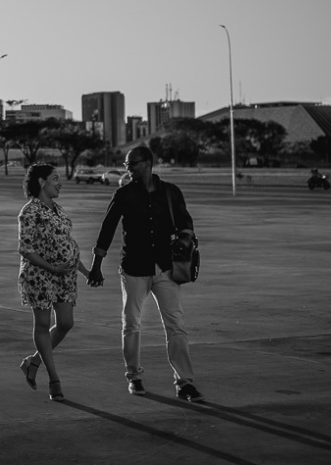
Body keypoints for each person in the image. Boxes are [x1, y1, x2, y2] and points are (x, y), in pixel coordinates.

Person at [87, 146, 203, 402]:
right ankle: (134, 377)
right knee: (132, 323)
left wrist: (185, 237)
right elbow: (107, 229)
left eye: (133, 163)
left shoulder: (171, 193)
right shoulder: (124, 194)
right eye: (127, 164)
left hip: (166, 268)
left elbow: (186, 222)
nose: (128, 168)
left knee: (176, 325)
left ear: (149, 163)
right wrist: (96, 265)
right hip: (134, 268)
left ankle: (185, 383)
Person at [17, 163, 90, 402]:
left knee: (66, 323)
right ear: (41, 182)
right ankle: (54, 380)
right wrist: (52, 268)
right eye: (55, 178)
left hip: (62, 276)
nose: (60, 183)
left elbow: (66, 245)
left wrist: (85, 271)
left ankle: (33, 362)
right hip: (39, 274)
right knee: (43, 323)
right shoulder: (29, 211)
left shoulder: (58, 210)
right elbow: (25, 250)